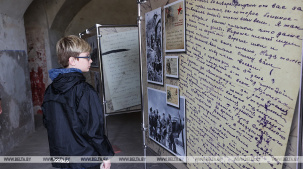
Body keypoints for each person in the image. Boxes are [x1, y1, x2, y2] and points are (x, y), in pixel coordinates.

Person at [42, 35, 114, 169]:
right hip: (85, 159)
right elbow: (94, 131)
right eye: (87, 56)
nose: (91, 60)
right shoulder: (85, 91)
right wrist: (106, 155)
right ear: (72, 60)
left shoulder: (50, 90)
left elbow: (48, 123)